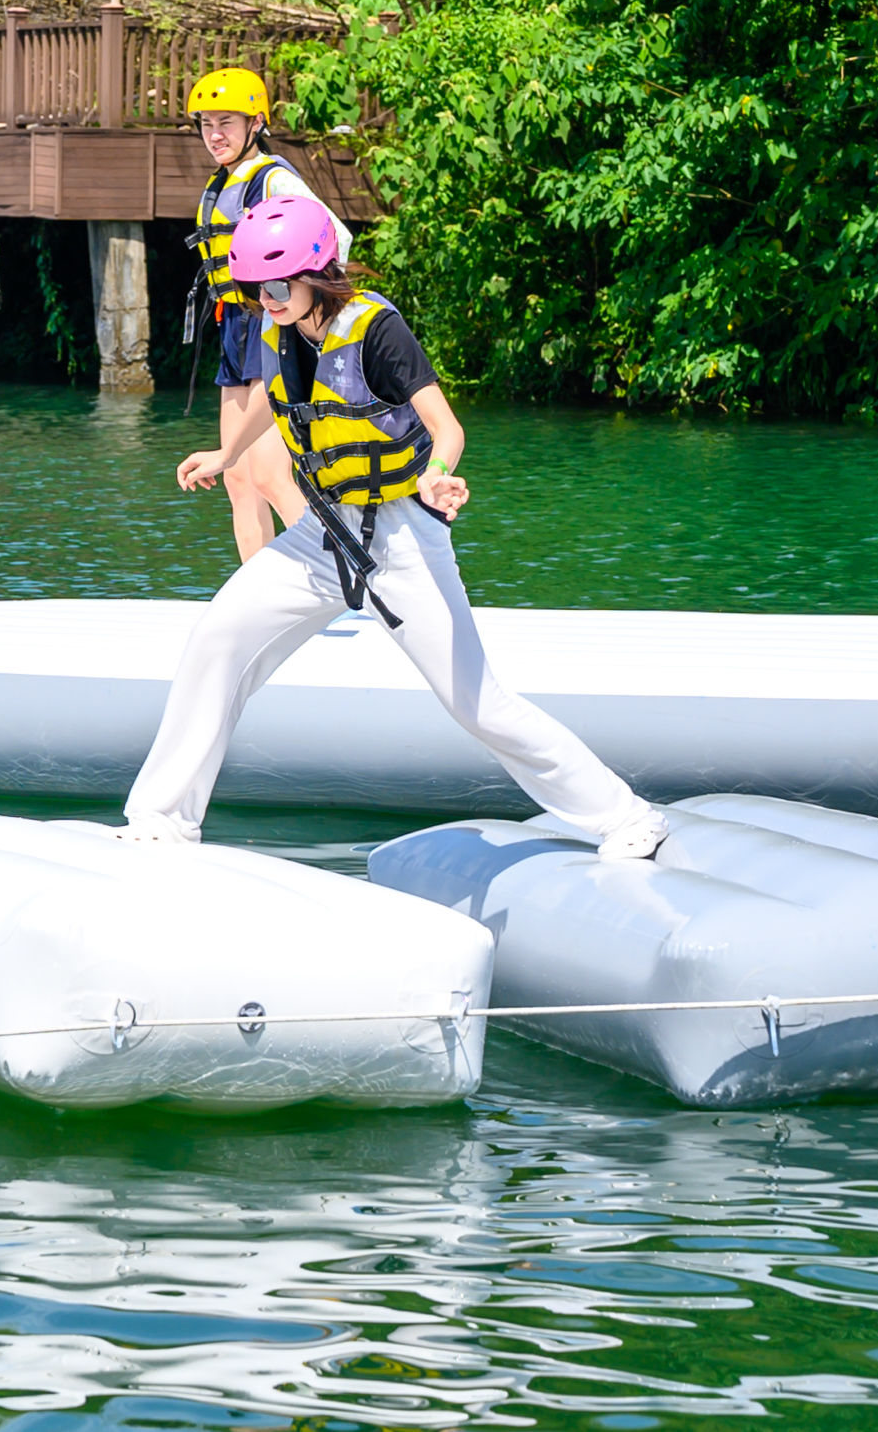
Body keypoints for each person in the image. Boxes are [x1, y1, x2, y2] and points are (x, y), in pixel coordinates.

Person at [121, 195, 669, 859]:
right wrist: (228, 453)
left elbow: (447, 428)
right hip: (321, 537)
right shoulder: (280, 331)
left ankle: (626, 816)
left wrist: (438, 475)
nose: (262, 298)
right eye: (251, 287)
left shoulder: (376, 330)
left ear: (317, 272)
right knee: (218, 639)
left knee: (478, 704)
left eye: (275, 284)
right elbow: (280, 399)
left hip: (402, 536)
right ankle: (161, 820)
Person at [183, 66, 344, 562]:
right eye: (207, 123)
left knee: (269, 471)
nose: (215, 134)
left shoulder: (273, 178)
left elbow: (335, 234)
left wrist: (291, 301)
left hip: (272, 322)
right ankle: (256, 592)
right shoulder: (223, 181)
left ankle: (336, 570)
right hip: (234, 326)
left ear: (255, 124)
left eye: (226, 122)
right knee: (235, 476)